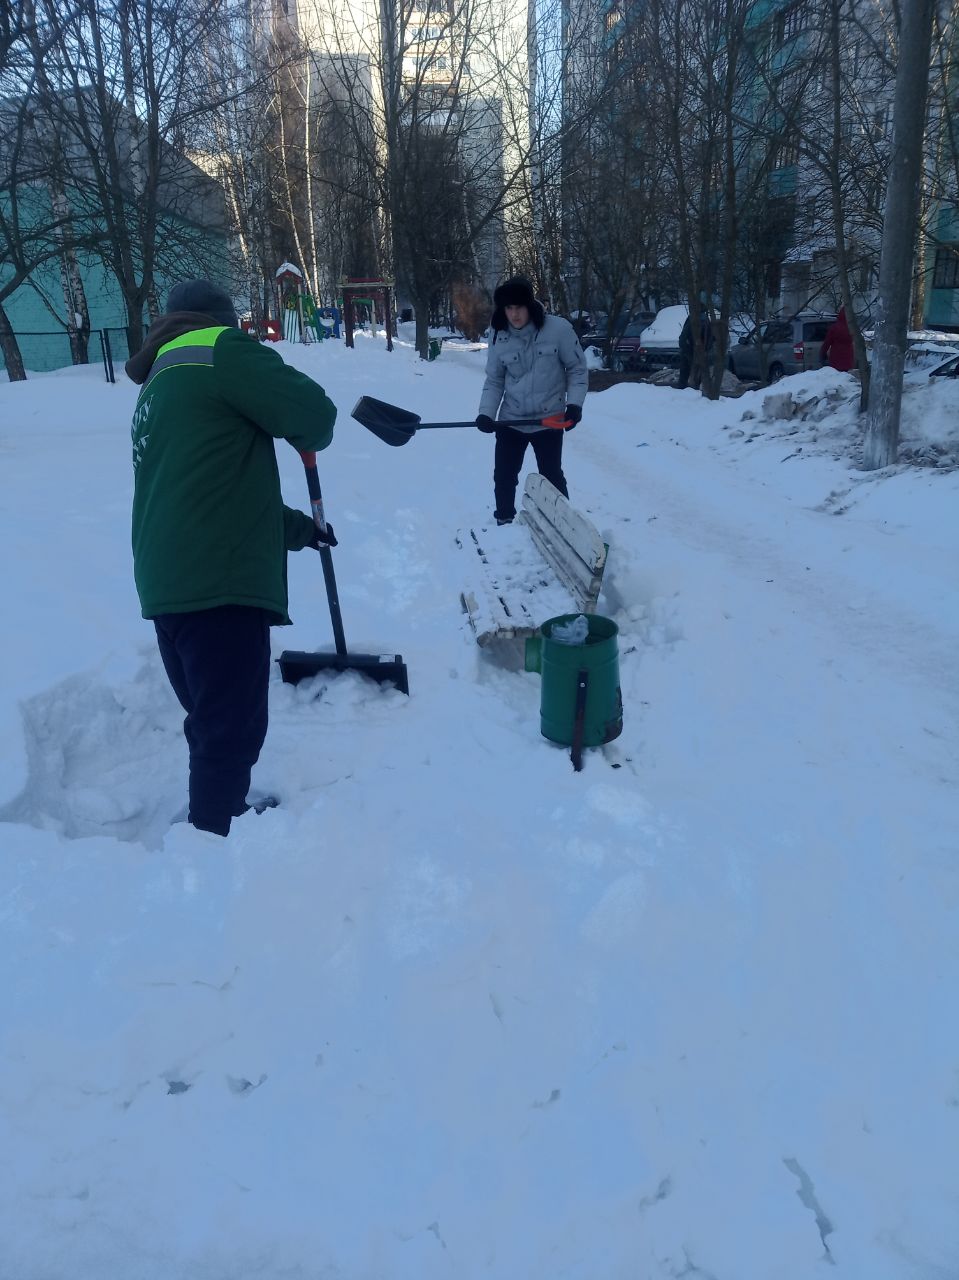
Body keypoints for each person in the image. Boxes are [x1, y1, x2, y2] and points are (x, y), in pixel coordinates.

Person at [126, 279, 338, 837]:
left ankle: (218, 819)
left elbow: (208, 490)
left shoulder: (159, 382)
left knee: (214, 719)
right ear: (220, 318)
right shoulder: (217, 348)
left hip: (168, 582)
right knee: (231, 725)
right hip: (216, 581)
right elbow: (314, 415)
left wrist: (301, 530)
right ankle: (212, 843)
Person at [475, 276, 587, 524]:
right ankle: (504, 521)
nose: (514, 315)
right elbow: (494, 380)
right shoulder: (498, 333)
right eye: (509, 308)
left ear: (530, 305)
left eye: (519, 307)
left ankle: (564, 524)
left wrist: (575, 405)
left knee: (551, 476)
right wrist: (486, 414)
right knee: (504, 476)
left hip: (549, 420)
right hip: (511, 421)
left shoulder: (558, 330)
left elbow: (577, 369)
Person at [820, 306, 854, 372]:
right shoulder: (852, 327)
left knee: (836, 377)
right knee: (845, 377)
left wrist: (822, 353)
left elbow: (827, 342)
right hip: (848, 358)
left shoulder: (835, 327)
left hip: (836, 358)